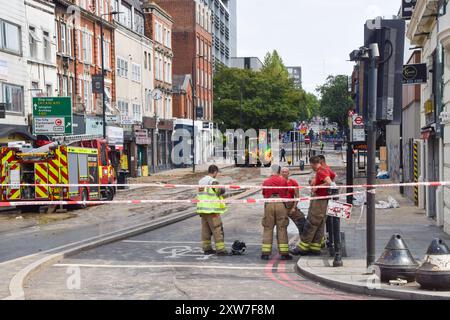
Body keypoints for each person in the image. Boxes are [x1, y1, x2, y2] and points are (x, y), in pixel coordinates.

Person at [291, 156, 332, 256]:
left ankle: (303, 247)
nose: (311, 167)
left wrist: (317, 187)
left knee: (312, 222)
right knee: (319, 224)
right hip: (323, 201)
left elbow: (329, 182)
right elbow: (333, 176)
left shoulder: (321, 171)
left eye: (311, 165)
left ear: (313, 163)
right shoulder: (327, 169)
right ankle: (315, 247)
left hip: (319, 201)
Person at [261, 164, 292, 261]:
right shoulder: (283, 180)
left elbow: (264, 194)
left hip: (269, 203)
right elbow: (286, 192)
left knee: (268, 228)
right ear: (279, 171)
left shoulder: (266, 181)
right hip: (280, 204)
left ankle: (265, 253)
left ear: (271, 171)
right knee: (282, 228)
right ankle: (284, 253)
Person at [197, 165, 228, 256]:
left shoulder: (201, 181)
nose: (217, 174)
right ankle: (221, 249)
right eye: (217, 173)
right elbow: (219, 191)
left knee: (205, 230)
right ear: (214, 172)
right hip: (212, 209)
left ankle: (207, 248)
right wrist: (222, 188)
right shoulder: (213, 181)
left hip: (202, 209)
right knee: (217, 229)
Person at [280, 167, 306, 236]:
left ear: (288, 173)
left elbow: (297, 196)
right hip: (280, 206)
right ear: (280, 173)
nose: (284, 173)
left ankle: (304, 239)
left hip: (290, 205)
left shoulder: (293, 182)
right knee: (281, 225)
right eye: (282, 172)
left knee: (302, 221)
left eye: (285, 172)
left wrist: (294, 207)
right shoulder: (278, 182)